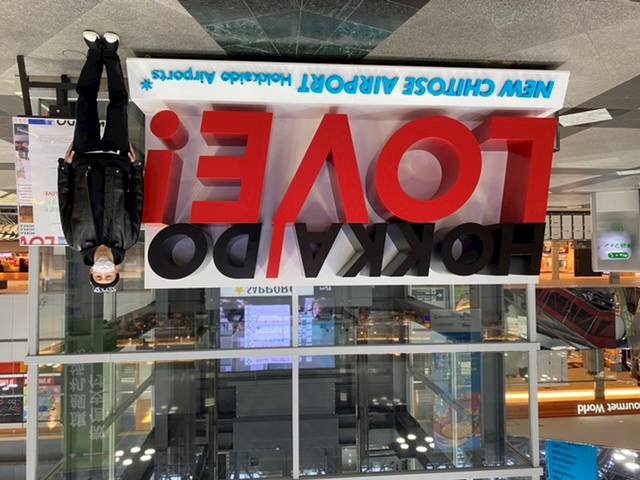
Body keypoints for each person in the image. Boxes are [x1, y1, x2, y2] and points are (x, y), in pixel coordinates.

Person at [57, 30, 144, 293]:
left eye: (99, 277)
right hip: (117, 163)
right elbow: (137, 201)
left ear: (92, 271)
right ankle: (111, 53)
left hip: (83, 161)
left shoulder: (74, 240)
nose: (104, 273)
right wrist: (136, 168)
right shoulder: (128, 239)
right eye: (109, 277)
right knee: (119, 104)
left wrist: (65, 168)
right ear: (116, 271)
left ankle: (94, 52)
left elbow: (65, 201)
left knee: (85, 102)